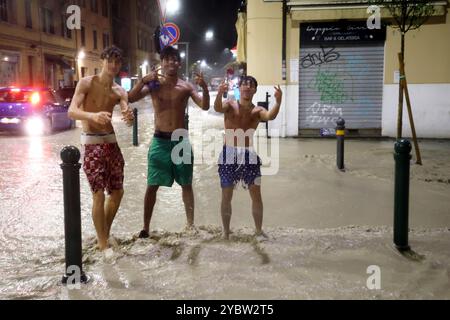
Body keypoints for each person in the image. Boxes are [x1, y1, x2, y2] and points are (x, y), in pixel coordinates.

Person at [128, 46, 210, 238]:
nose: (171, 62)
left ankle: (190, 225)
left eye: (175, 59)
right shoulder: (155, 85)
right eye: (167, 59)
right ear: (162, 62)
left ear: (179, 63)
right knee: (152, 184)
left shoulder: (186, 86)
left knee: (186, 183)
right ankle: (146, 228)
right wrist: (142, 81)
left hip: (181, 140)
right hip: (159, 140)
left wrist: (204, 87)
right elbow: (130, 98)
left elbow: (205, 106)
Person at [68, 46, 134, 251]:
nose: (114, 65)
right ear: (102, 61)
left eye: (117, 62)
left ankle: (102, 235)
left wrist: (129, 118)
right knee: (98, 194)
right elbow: (72, 111)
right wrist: (92, 116)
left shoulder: (119, 91)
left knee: (117, 192)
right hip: (91, 143)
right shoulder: (86, 83)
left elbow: (126, 114)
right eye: (110, 61)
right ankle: (104, 245)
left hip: (111, 142)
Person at [214, 75, 282, 240]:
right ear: (239, 88)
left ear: (254, 90)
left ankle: (258, 231)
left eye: (250, 85)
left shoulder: (257, 110)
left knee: (256, 194)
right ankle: (225, 232)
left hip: (248, 154)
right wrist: (218, 94)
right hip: (229, 153)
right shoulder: (230, 105)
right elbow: (217, 108)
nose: (247, 87)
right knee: (226, 195)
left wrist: (278, 102)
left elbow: (270, 116)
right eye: (244, 84)